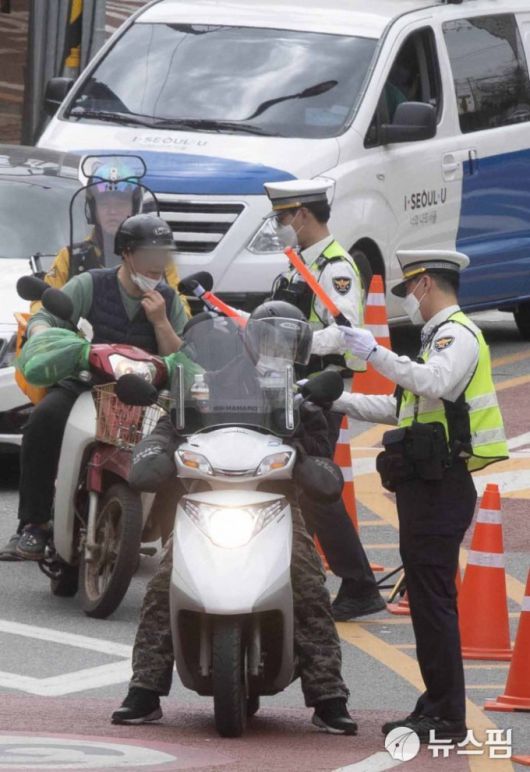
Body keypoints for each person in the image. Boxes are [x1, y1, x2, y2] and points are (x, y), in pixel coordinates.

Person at [111, 302, 358, 735]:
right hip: (203, 500)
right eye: (271, 340)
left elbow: (319, 454)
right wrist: (158, 450)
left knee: (309, 584)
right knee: (163, 585)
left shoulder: (303, 399)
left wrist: (305, 458)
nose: (278, 351)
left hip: (276, 503)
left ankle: (329, 698)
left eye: (289, 344)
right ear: (251, 340)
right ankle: (144, 691)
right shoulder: (211, 384)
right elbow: (173, 424)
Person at [334, 249, 509, 743]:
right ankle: (436, 704)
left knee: (433, 604)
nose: (407, 299)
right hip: (426, 486)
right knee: (430, 603)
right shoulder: (436, 339)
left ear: (425, 283)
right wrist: (334, 399)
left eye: (408, 288)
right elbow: (402, 407)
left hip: (440, 486)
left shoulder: (456, 336)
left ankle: (447, 716)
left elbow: (434, 382)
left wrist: (374, 352)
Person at [7, 214, 189, 562]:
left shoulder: (167, 299)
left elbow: (182, 355)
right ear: (126, 254)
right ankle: (34, 523)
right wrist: (43, 334)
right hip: (84, 384)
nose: (157, 264)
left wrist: (160, 321)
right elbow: (45, 316)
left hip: (142, 394)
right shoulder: (90, 284)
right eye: (149, 254)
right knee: (43, 420)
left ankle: (173, 537)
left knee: (184, 437)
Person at [263, 179, 385, 620]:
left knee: (314, 488)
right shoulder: (296, 266)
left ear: (302, 215)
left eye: (282, 217)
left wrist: (296, 344)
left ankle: (359, 585)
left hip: (317, 393)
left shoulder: (335, 267)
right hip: (287, 389)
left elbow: (347, 332)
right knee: (285, 484)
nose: (279, 225)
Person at [33, 159, 189, 313]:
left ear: (134, 207)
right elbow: (42, 306)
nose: (112, 211)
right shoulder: (70, 257)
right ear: (93, 208)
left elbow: (182, 311)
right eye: (104, 204)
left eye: (120, 204)